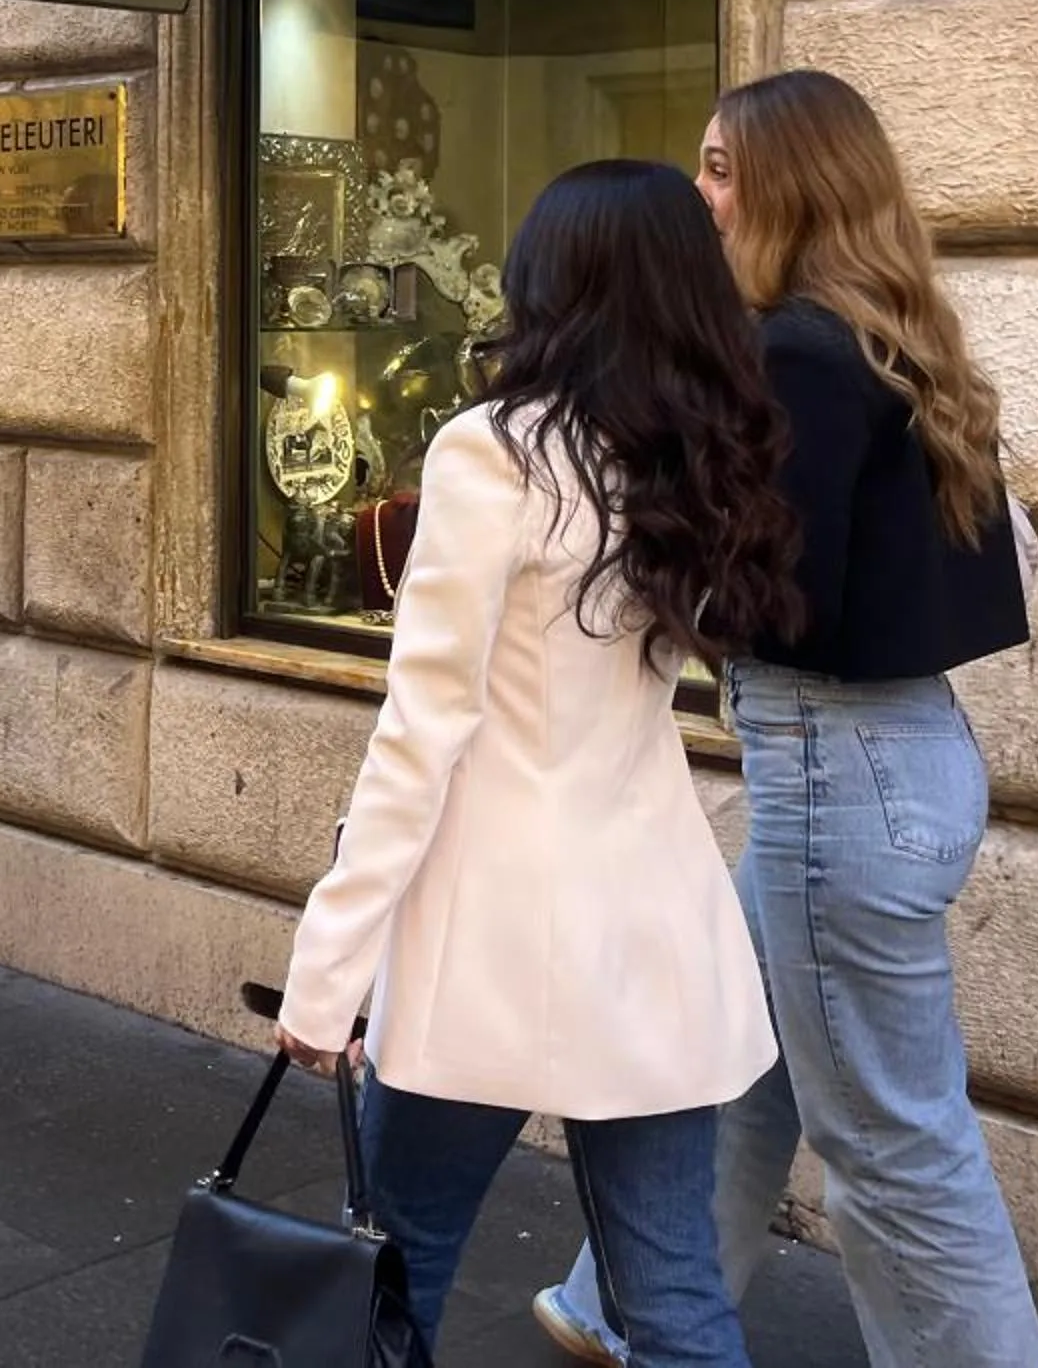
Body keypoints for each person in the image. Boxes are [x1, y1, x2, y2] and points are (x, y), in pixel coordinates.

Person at [540, 72, 1038, 1368]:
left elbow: (772, 595)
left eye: (719, 167)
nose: (698, 194)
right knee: (746, 1059)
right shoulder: (884, 337)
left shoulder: (800, 353)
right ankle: (625, 1303)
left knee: (890, 1141)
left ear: (789, 183)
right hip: (894, 760)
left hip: (836, 775)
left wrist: (636, 540)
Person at [274, 161, 804, 1366]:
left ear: (549, 283)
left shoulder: (494, 452)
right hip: (651, 918)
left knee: (393, 1273)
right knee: (673, 1295)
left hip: (492, 935)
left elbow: (424, 731)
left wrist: (328, 965)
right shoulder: (699, 457)